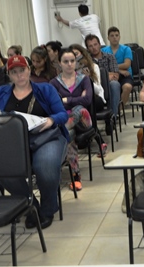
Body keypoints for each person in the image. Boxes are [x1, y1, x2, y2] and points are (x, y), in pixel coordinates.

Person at [0, 55, 68, 229]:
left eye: (22, 70)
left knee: (45, 166)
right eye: (14, 72)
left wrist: (49, 120)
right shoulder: (1, 92)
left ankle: (48, 209)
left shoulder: (45, 89)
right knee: (2, 167)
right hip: (15, 141)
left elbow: (62, 115)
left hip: (46, 137)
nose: (19, 75)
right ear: (9, 74)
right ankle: (31, 206)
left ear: (29, 70)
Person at [50, 48, 107, 190]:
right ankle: (76, 176)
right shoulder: (54, 83)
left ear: (76, 62)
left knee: (79, 109)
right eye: (65, 61)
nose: (69, 64)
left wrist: (66, 100)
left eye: (72, 61)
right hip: (65, 119)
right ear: (59, 63)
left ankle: (65, 128)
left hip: (84, 120)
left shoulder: (84, 79)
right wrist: (77, 98)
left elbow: (87, 100)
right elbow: (55, 103)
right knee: (69, 136)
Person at [86, 34, 121, 122]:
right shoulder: (86, 61)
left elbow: (115, 76)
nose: (94, 48)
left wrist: (97, 75)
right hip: (94, 86)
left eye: (95, 44)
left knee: (115, 84)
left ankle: (111, 118)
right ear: (87, 48)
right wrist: (106, 75)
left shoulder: (110, 56)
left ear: (99, 44)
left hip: (109, 84)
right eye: (90, 46)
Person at [101, 27, 133, 107]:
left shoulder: (126, 49)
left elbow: (127, 65)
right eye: (112, 35)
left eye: (116, 35)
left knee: (127, 87)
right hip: (110, 75)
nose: (114, 37)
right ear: (108, 38)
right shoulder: (103, 51)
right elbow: (103, 68)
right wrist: (119, 70)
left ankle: (119, 109)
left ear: (119, 37)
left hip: (125, 75)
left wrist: (114, 68)